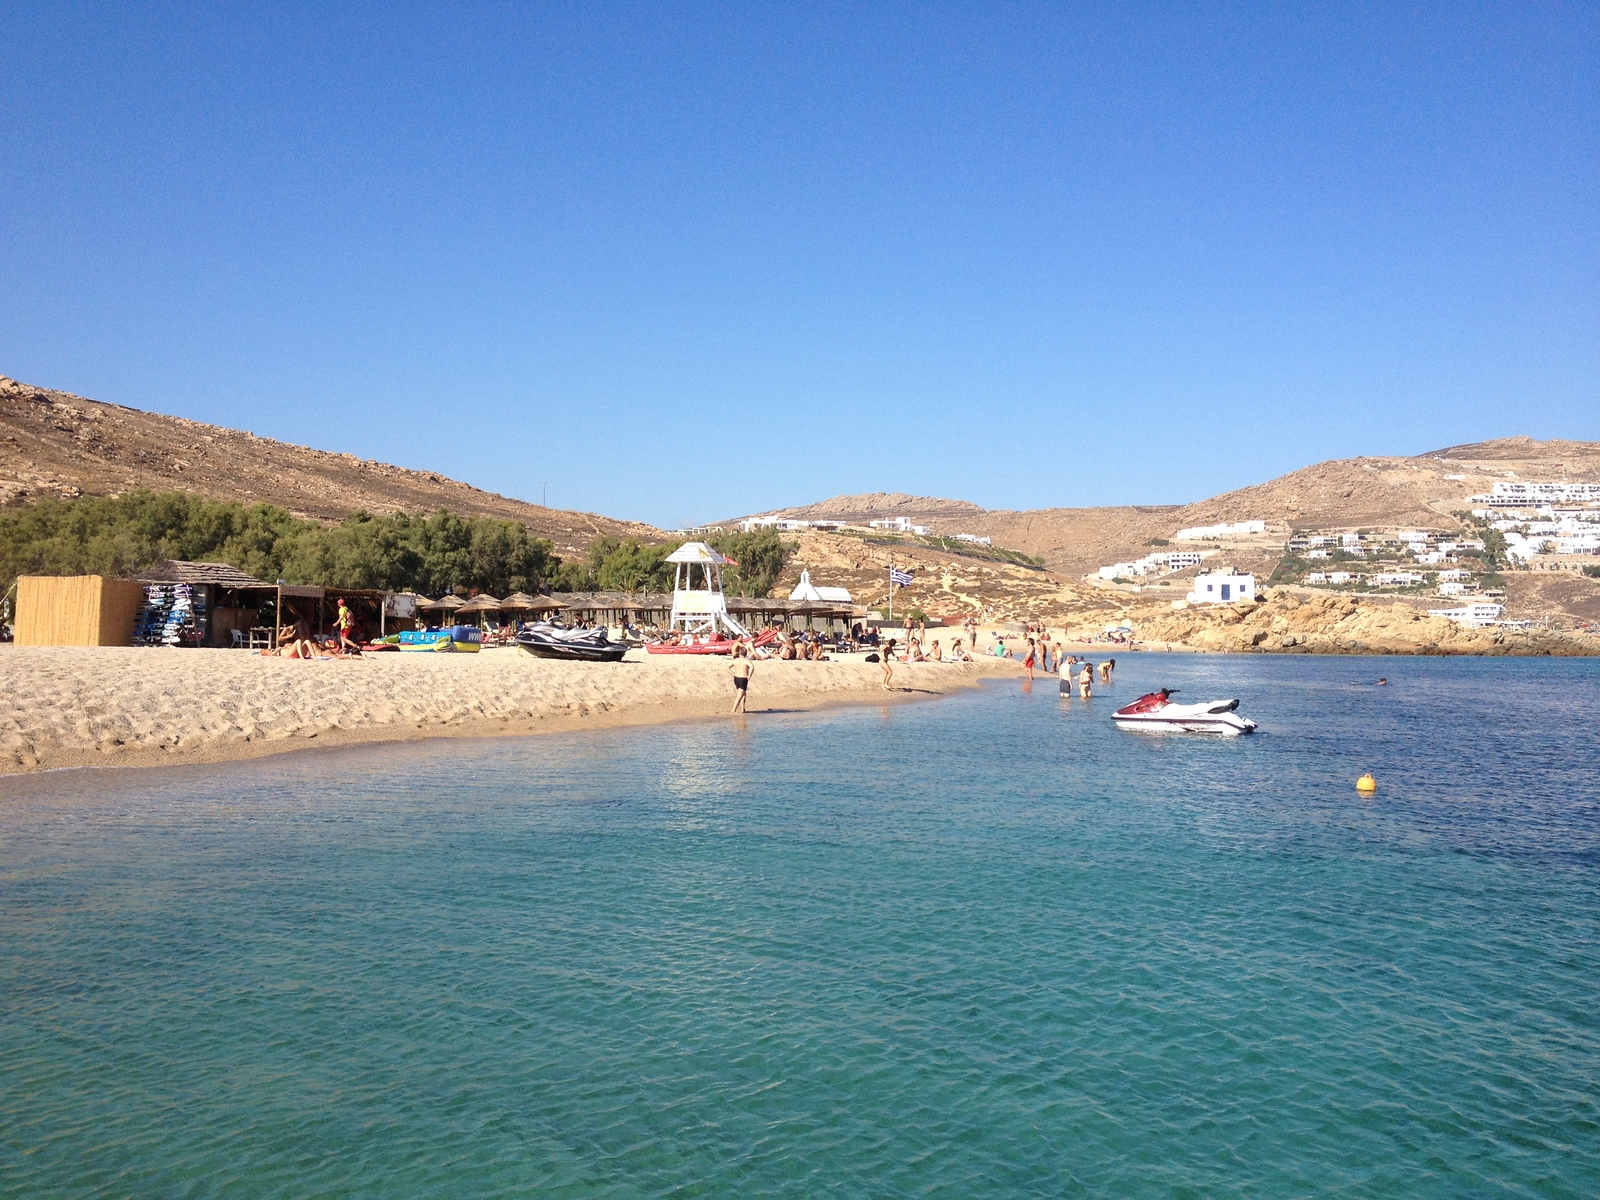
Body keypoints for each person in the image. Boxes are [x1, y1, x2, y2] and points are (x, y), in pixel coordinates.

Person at [729, 644, 754, 713]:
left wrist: (732, 673)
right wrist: (749, 675)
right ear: (746, 654)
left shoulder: (736, 660)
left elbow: (728, 667)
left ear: (739, 653)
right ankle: (733, 710)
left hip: (736, 678)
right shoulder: (746, 661)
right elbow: (752, 667)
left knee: (743, 694)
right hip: (743, 678)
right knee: (739, 696)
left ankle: (743, 709)